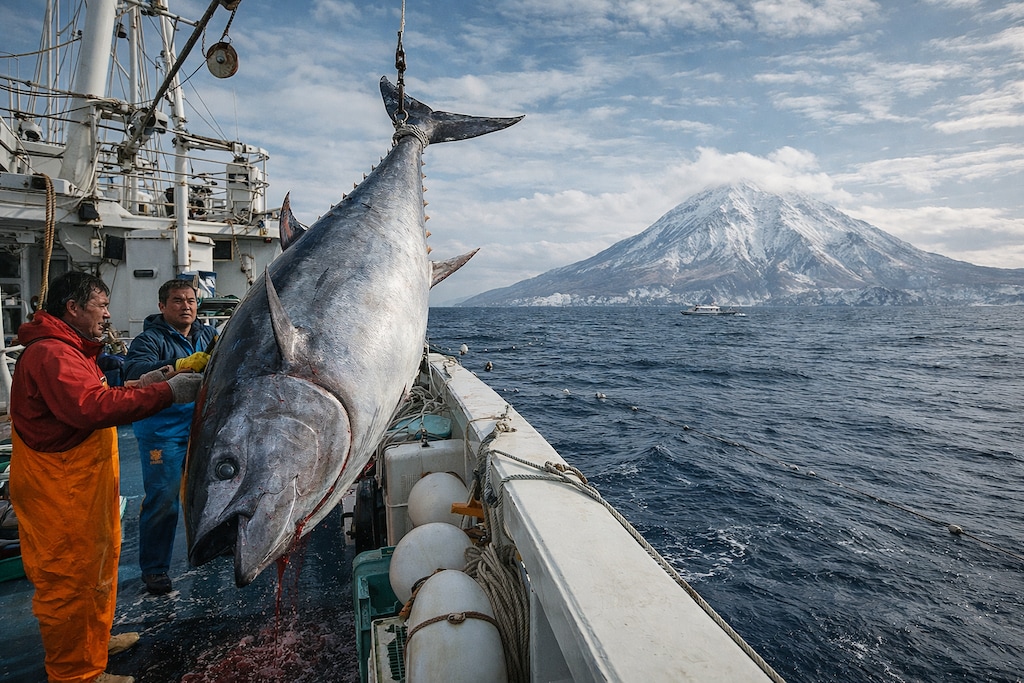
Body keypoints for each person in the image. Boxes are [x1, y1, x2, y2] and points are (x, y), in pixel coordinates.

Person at [8, 271, 203, 683]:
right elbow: (90, 408)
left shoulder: (71, 349)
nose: (108, 315)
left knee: (96, 567)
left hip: (81, 485)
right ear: (73, 308)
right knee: (68, 578)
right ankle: (76, 673)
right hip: (60, 491)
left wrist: (150, 380)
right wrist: (168, 391)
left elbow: (103, 390)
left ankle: (92, 642)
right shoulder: (52, 354)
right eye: (101, 306)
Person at [122, 278, 215, 596]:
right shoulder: (149, 340)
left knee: (207, 492)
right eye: (177, 301)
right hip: (162, 433)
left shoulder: (208, 335)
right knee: (163, 499)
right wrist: (176, 366)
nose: (186, 306)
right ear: (162, 306)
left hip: (201, 427)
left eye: (191, 300)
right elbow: (134, 374)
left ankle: (211, 546)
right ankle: (155, 569)